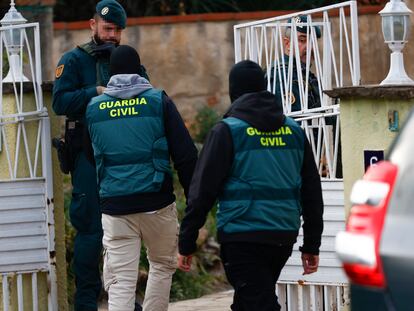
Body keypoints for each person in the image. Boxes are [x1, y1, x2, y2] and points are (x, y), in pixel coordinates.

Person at [178, 60, 324, 311]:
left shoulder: (227, 131)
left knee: (258, 302)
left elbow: (202, 191)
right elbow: (311, 191)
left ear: (234, 92)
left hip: (242, 234)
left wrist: (187, 241)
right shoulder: (294, 131)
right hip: (282, 235)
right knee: (250, 299)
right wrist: (312, 242)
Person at [84, 45, 198, 311]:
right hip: (156, 202)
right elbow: (186, 155)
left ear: (109, 74)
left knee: (121, 279)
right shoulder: (159, 101)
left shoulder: (94, 108)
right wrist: (195, 202)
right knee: (161, 265)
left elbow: (92, 156)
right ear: (139, 70)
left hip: (115, 206)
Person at [52, 1, 147, 310]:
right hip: (88, 159)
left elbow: (149, 96)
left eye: (118, 30)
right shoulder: (74, 60)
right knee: (91, 232)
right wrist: (95, 92)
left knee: (125, 230)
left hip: (124, 159)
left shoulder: (127, 58)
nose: (113, 35)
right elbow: (60, 102)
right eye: (108, 28)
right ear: (92, 25)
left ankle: (124, 301)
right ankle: (86, 303)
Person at [267, 15, 322, 112]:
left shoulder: (305, 73)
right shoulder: (282, 74)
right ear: (287, 43)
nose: (309, 47)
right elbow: (293, 118)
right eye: (302, 40)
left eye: (313, 41)